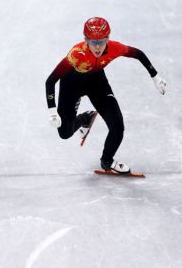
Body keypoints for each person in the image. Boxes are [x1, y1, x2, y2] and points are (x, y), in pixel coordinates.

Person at [45, 17, 167, 173]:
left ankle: (107, 160)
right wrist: (52, 111)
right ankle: (85, 118)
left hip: (96, 83)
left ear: (108, 39)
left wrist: (155, 77)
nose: (97, 47)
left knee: (117, 126)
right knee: (65, 133)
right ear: (86, 40)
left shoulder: (115, 48)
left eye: (101, 42)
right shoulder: (76, 54)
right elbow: (50, 81)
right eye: (93, 42)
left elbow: (138, 54)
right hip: (71, 85)